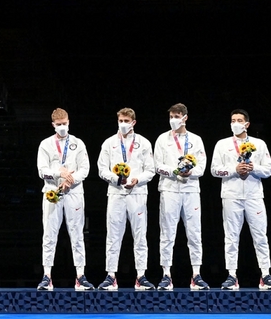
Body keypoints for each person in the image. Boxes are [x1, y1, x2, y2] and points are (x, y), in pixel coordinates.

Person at [210, 109, 271, 290]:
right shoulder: (222, 144)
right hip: (231, 195)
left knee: (260, 236)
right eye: (233, 120)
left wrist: (252, 167)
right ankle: (232, 275)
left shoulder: (259, 144)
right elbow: (214, 170)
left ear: (247, 124)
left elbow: (269, 170)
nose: (235, 123)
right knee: (231, 237)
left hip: (254, 195)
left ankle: (265, 274)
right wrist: (235, 169)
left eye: (239, 120)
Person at [96, 108, 156, 291]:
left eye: (126, 120)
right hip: (115, 193)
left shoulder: (144, 143)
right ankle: (111, 276)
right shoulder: (109, 143)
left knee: (140, 236)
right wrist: (116, 179)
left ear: (133, 122)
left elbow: (150, 170)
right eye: (120, 120)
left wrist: (138, 179)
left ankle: (141, 276)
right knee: (113, 236)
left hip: (137, 193)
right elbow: (101, 169)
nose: (123, 123)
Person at [153, 103, 209, 290]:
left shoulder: (197, 140)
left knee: (194, 233)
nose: (173, 120)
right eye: (171, 117)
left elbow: (201, 167)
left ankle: (196, 274)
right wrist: (176, 171)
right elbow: (157, 166)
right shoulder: (162, 139)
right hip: (169, 190)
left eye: (177, 116)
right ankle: (166, 274)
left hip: (191, 190)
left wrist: (189, 172)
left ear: (185, 117)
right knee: (167, 233)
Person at [37, 108, 93, 291]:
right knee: (49, 234)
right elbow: (41, 170)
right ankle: (47, 276)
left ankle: (80, 276)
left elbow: (85, 168)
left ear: (69, 122)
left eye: (65, 123)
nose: (62, 127)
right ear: (53, 125)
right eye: (59, 124)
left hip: (74, 192)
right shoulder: (45, 144)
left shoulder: (78, 143)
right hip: (52, 192)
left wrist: (71, 180)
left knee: (77, 235)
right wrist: (58, 173)